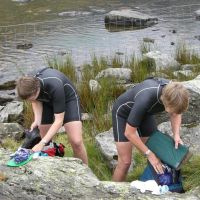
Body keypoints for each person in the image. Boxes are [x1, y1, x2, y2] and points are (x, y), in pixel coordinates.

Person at [112, 77, 189, 181]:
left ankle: (157, 183)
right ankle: (113, 191)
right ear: (165, 102)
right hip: (123, 113)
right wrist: (149, 154)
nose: (174, 114)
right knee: (125, 161)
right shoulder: (146, 98)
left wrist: (176, 135)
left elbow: (176, 114)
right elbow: (129, 133)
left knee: (156, 151)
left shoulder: (176, 93)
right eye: (172, 111)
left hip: (145, 113)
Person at [16, 67, 88, 164]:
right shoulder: (27, 83)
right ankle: (51, 162)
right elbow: (35, 101)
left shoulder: (55, 85)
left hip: (68, 99)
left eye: (31, 98)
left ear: (37, 89)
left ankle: (83, 172)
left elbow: (59, 121)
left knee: (76, 141)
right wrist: (37, 120)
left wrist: (41, 143)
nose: (30, 101)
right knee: (45, 137)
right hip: (46, 100)